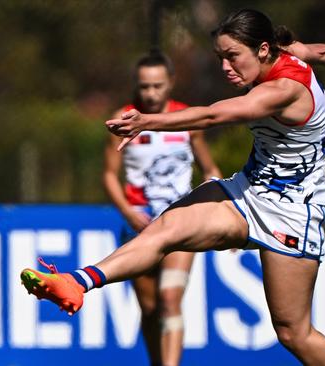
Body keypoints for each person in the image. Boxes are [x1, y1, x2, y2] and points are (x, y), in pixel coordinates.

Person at [22, 8, 325, 365]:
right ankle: (77, 282)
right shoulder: (285, 50)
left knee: (293, 332)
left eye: (232, 57)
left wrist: (148, 121)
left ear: (261, 50)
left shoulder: (283, 90)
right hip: (249, 192)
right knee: (165, 229)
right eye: (220, 57)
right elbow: (317, 51)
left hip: (295, 212)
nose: (226, 67)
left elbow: (213, 115)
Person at [102, 51, 221, 366]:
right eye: (145, 87)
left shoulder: (187, 119)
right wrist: (127, 211)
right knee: (151, 308)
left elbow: (210, 169)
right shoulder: (122, 119)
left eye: (157, 86)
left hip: (180, 223)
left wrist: (223, 209)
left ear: (170, 83)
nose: (151, 93)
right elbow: (109, 175)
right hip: (138, 226)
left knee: (170, 299)